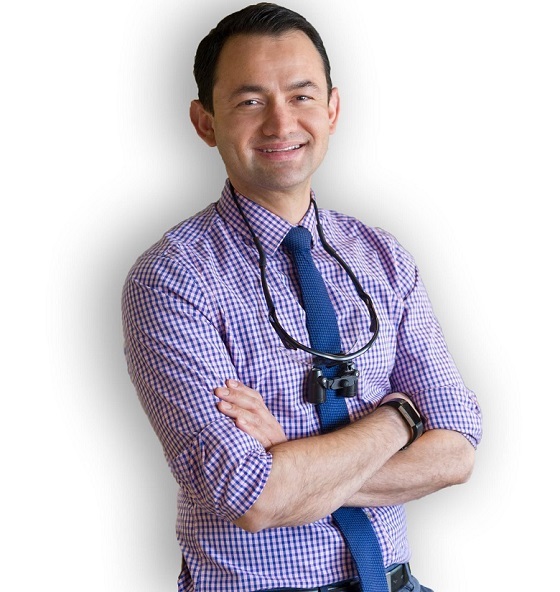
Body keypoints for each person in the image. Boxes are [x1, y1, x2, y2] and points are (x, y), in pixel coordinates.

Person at [121, 3, 482, 591]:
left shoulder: (384, 258)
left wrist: (292, 461)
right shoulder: (172, 280)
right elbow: (252, 495)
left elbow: (458, 448)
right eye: (250, 101)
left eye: (302, 96)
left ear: (332, 110)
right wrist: (399, 418)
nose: (281, 122)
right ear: (205, 121)